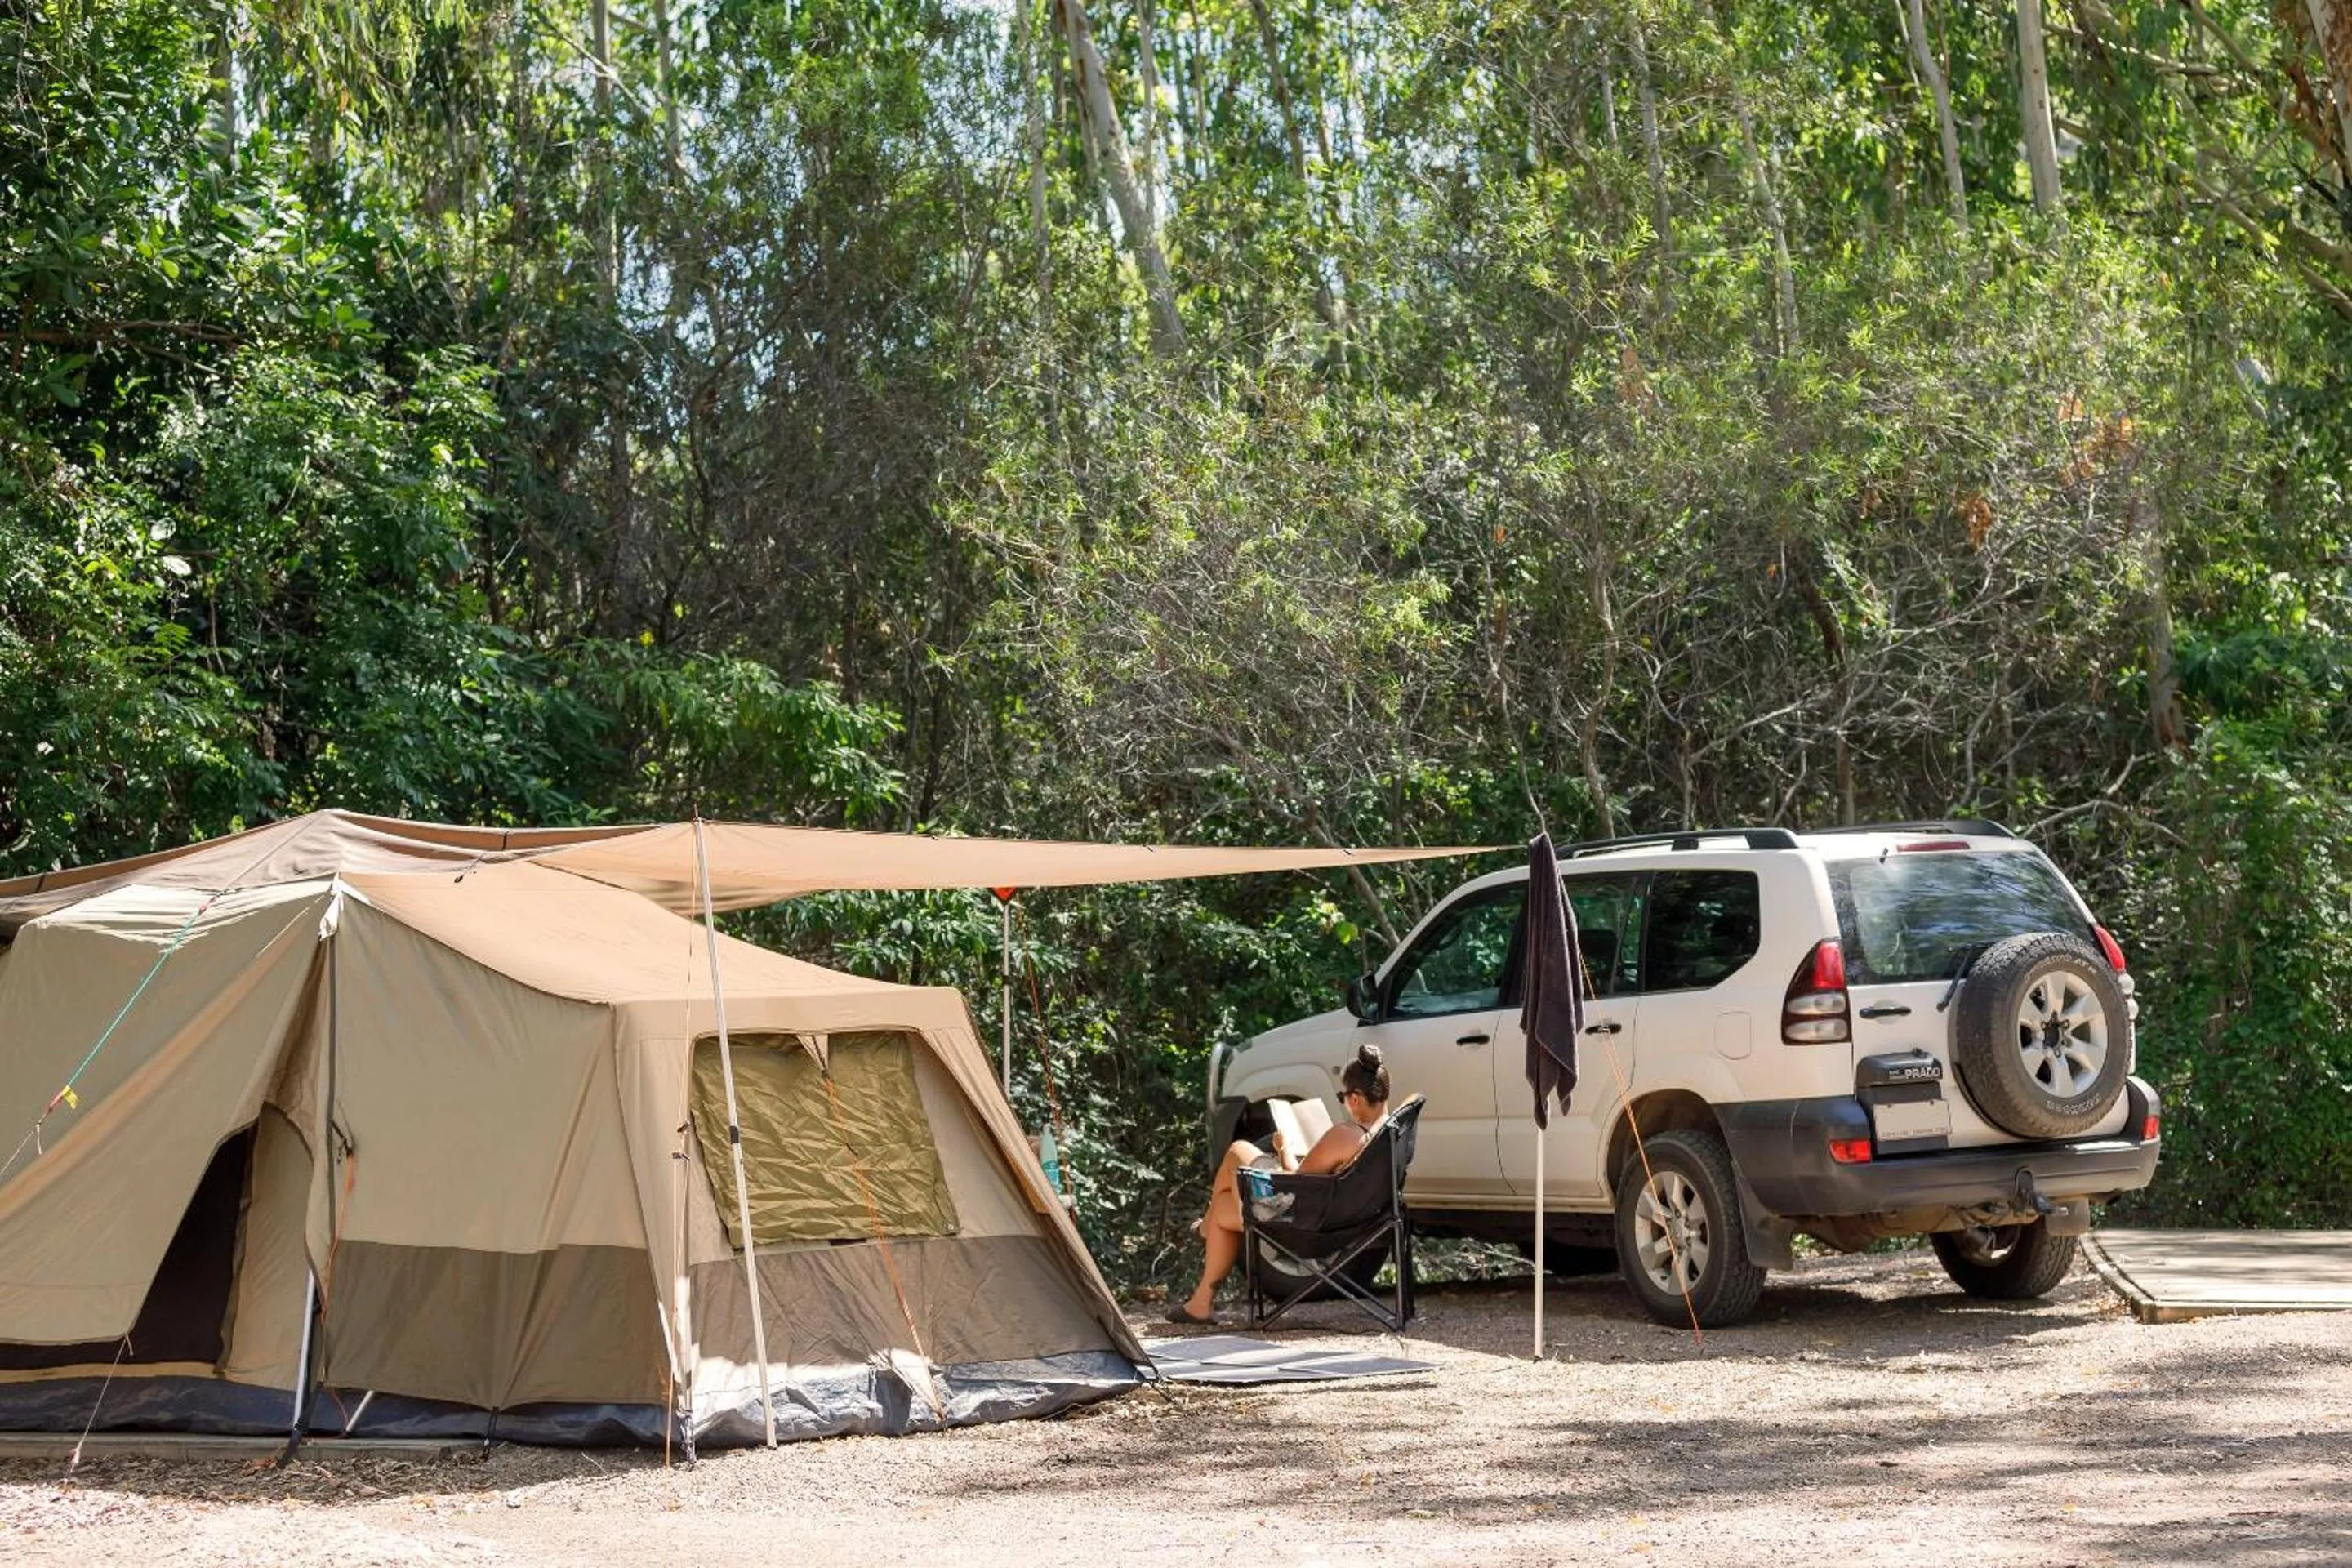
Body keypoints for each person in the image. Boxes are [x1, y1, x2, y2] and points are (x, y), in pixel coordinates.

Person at [1166, 1042, 1392, 1325]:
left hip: (1303, 1222)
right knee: (1226, 1209)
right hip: (1349, 1221)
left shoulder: (1347, 1134)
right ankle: (1200, 1304)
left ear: (1356, 1098)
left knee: (1237, 1150)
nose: (1344, 1103)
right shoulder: (1390, 1134)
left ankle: (1204, 1227)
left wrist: (1284, 1147)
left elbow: (1297, 1179)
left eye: (1342, 1096)